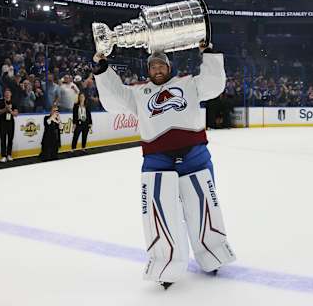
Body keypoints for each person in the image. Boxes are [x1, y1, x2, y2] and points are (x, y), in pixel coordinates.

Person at [93, 42, 236, 288]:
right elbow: (114, 98)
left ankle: (213, 254)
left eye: (161, 65)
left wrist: (209, 54)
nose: (157, 69)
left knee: (203, 208)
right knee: (160, 215)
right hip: (157, 159)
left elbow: (213, 85)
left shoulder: (187, 83)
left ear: (169, 67)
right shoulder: (138, 92)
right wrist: (102, 68)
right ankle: (165, 265)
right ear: (148, 70)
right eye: (153, 66)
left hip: (194, 155)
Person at [0, 88, 18, 162]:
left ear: (11, 94)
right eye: (6, 93)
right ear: (4, 94)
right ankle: (3, 156)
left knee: (10, 139)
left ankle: (9, 155)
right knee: (3, 140)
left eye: (9, 93)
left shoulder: (14, 102)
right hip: (2, 123)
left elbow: (16, 114)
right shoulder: (0, 102)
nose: (7, 94)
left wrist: (10, 110)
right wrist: (5, 109)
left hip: (11, 123)